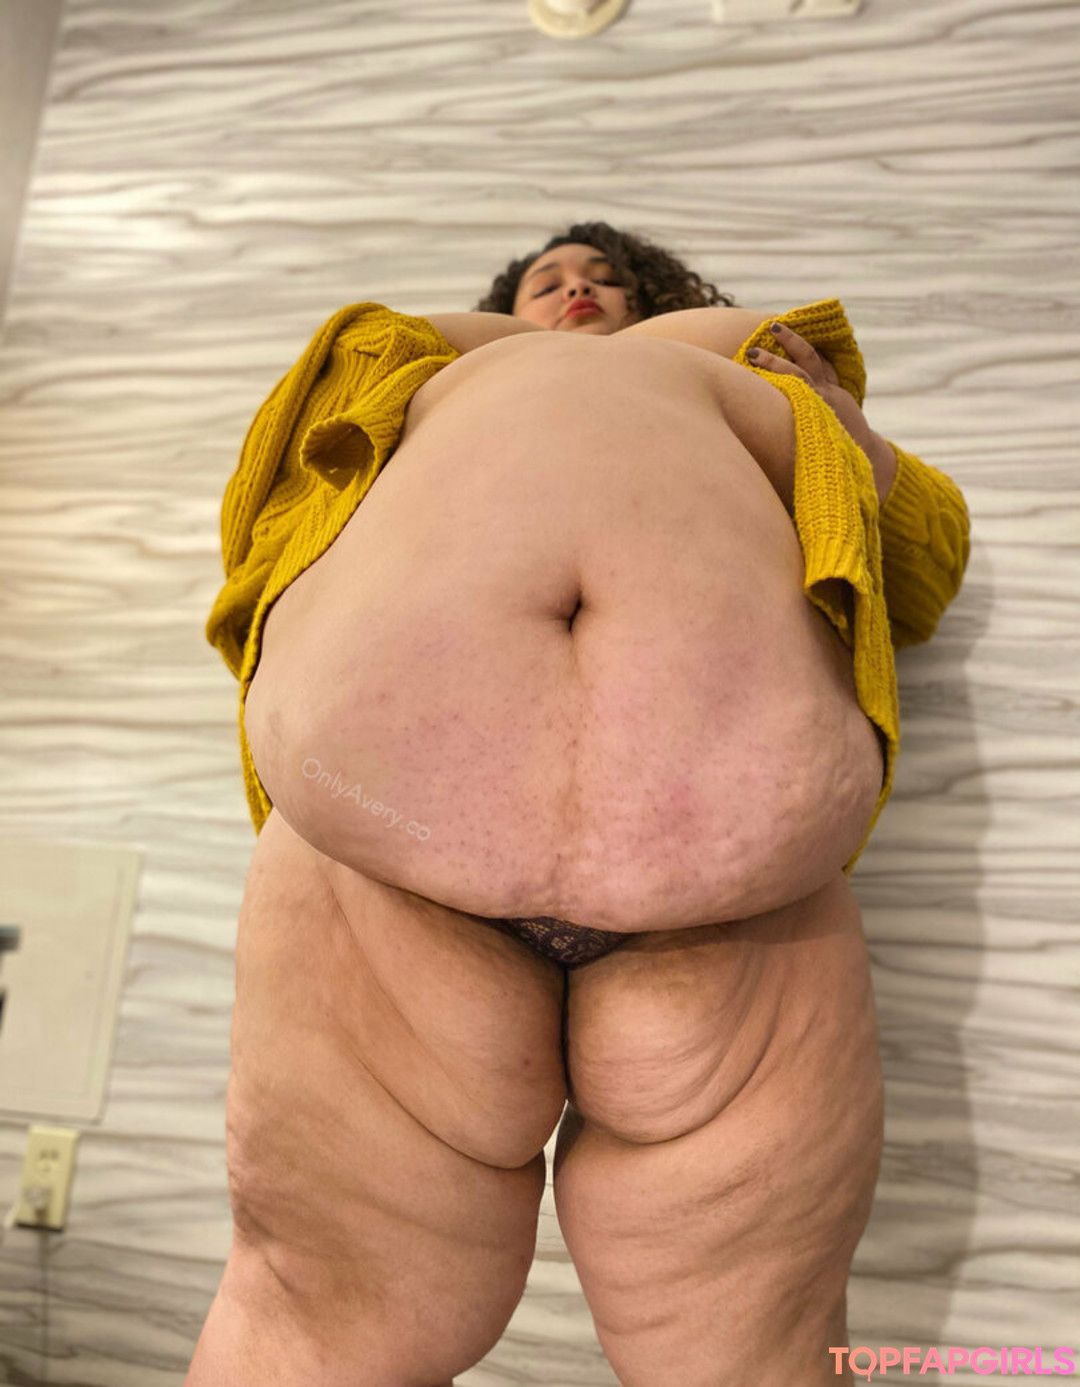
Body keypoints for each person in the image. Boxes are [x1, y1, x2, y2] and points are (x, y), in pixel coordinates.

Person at [189, 221, 970, 1386]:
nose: (576, 289)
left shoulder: (748, 367)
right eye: (547, 278)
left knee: (762, 1351)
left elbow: (927, 572)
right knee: (311, 1322)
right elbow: (267, 524)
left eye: (606, 277)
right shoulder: (437, 360)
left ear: (654, 297)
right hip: (380, 868)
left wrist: (850, 433)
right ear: (510, 300)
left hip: (744, 909)